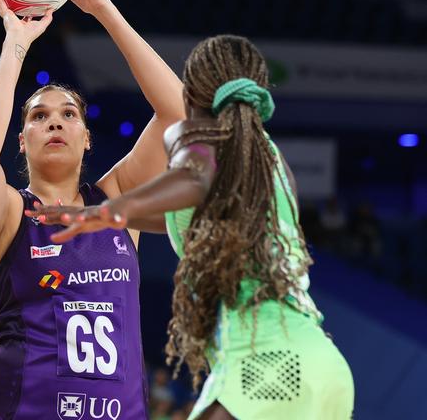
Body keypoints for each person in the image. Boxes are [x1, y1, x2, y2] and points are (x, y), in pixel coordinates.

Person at [29, 35, 355, 419]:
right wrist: (105, 214)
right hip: (323, 364)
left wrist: (111, 211)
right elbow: (184, 208)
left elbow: (193, 178)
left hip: (268, 360)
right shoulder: (267, 158)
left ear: (193, 93)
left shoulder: (205, 137)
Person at [0, 0, 185, 418]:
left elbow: (179, 113)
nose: (55, 121)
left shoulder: (116, 201)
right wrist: (15, 46)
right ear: (22, 141)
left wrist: (101, 7)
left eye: (68, 114)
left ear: (86, 137)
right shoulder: (9, 215)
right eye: (38, 117)